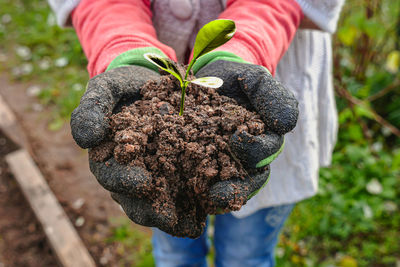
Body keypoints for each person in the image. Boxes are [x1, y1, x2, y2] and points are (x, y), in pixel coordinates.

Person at [48, 0, 344, 266]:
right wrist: (125, 49)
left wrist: (247, 46)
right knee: (173, 244)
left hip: (267, 70)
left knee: (247, 255)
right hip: (151, 69)